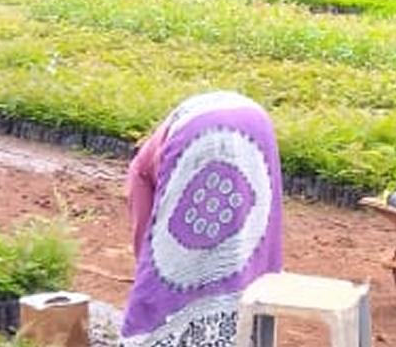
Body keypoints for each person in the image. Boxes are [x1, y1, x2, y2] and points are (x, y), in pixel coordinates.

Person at [121, 91, 284, 347]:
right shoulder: (159, 145)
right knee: (249, 237)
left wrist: (149, 276)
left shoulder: (139, 175)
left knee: (167, 279)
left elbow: (151, 248)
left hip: (200, 133)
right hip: (255, 122)